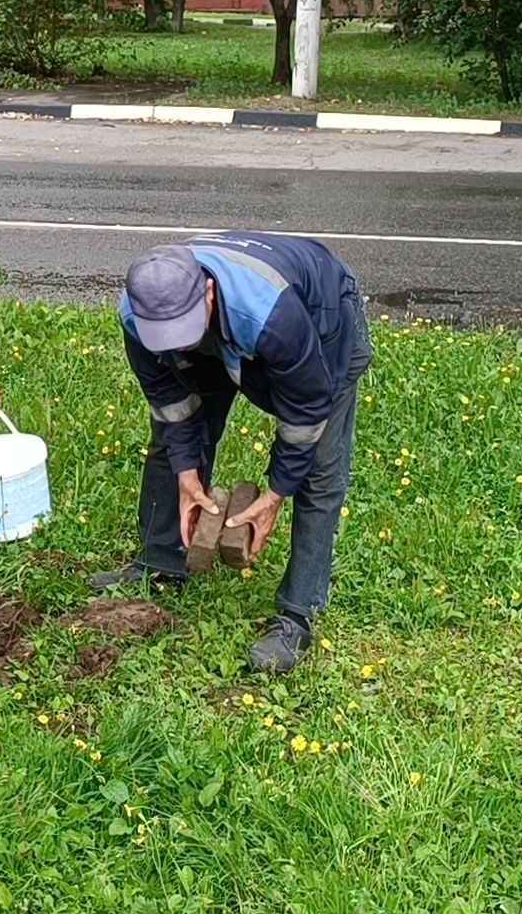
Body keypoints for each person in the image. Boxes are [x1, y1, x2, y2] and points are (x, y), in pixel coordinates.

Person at [94, 232, 371, 676]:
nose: (176, 346)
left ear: (207, 291)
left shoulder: (273, 315)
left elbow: (306, 410)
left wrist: (276, 494)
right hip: (229, 325)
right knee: (169, 441)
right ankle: (161, 563)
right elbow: (170, 401)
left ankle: (298, 615)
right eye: (164, 336)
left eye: (182, 330)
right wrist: (187, 472)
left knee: (318, 469)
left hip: (321, 323)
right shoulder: (139, 317)